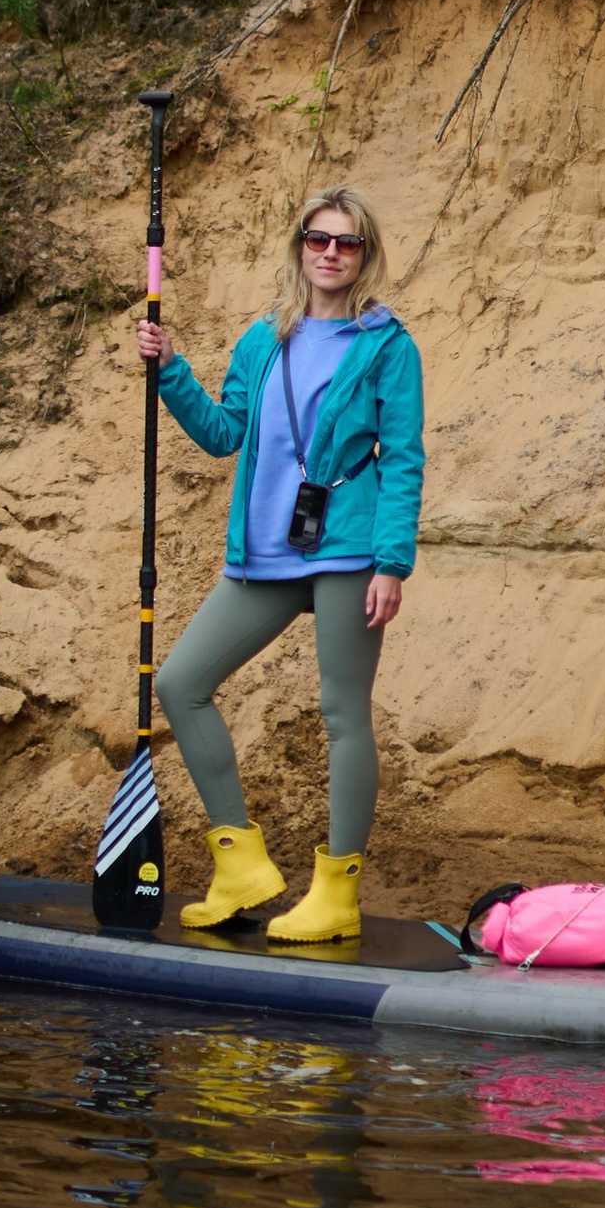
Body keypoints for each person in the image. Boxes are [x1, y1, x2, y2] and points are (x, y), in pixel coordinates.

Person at [132, 183, 423, 944]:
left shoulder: (387, 345)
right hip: (263, 551)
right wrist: (169, 370)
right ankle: (241, 867)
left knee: (340, 712)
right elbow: (224, 432)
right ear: (300, 246)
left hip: (349, 550)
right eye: (318, 239)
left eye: (346, 242)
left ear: (365, 255)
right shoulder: (265, 338)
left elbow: (403, 460)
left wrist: (392, 562)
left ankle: (336, 894)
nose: (330, 253)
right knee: (182, 684)